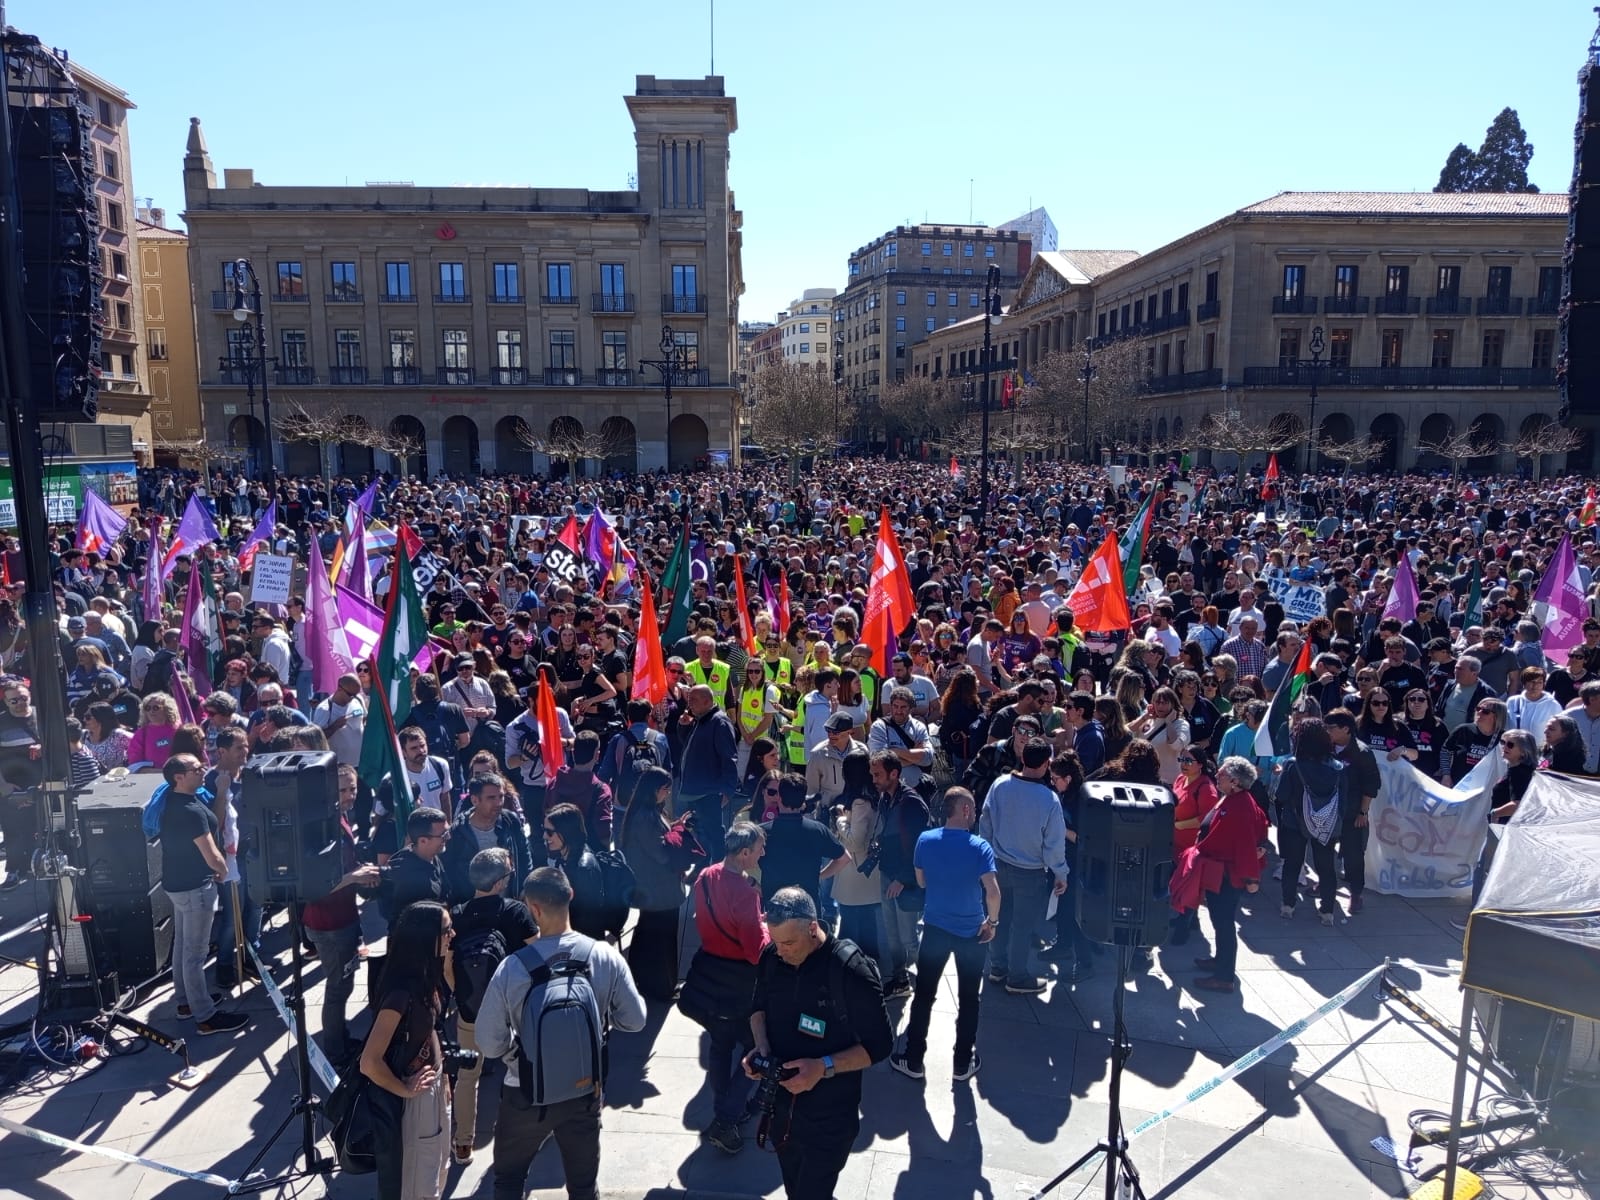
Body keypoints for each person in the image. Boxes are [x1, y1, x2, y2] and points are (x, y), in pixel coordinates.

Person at [475, 867, 647, 1200]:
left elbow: (489, 1043)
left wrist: (520, 1056)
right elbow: (636, 1020)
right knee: (583, 1187)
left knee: (509, 1181)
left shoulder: (513, 967)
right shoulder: (604, 956)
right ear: (571, 896)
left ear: (533, 909)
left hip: (524, 1092)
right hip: (583, 1091)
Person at [744, 887, 894, 1200]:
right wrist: (761, 1049)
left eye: (789, 942)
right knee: (795, 1189)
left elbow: (880, 1045)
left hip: (830, 1117)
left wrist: (823, 1067)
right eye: (775, 940)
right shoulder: (772, 957)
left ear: (813, 928)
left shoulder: (851, 971)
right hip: (781, 1110)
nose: (781, 950)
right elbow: (757, 1007)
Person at [889, 786, 999, 1083]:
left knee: (924, 995)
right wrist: (993, 922)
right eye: (973, 808)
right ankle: (962, 1063)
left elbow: (922, 882)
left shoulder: (926, 840)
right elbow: (992, 891)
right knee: (969, 999)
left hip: (936, 929)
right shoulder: (980, 847)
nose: (975, 813)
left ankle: (913, 1059)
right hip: (972, 933)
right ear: (964, 811)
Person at [359, 901, 454, 1200]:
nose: (453, 934)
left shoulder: (424, 976)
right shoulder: (400, 994)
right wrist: (405, 1090)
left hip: (434, 1086)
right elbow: (369, 1062)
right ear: (425, 938)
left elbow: (431, 1029)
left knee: (438, 1168)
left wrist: (444, 1076)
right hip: (415, 1101)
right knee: (420, 1184)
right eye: (446, 930)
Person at [448, 848, 537, 1166]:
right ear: (500, 883)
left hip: (472, 1009)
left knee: (467, 1077)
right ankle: (529, 1134)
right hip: (513, 1007)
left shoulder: (456, 914)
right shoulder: (515, 912)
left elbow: (447, 963)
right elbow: (536, 956)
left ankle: (462, 1144)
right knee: (524, 1068)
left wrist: (460, 994)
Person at [687, 821, 768, 1154]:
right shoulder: (745, 893)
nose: (764, 852)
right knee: (758, 1050)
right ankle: (727, 1117)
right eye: (760, 847)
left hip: (710, 972)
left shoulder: (706, 877)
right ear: (745, 852)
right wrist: (764, 925)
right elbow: (754, 950)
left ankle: (723, 1110)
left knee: (720, 1046)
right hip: (739, 980)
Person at [300, 763, 379, 1066]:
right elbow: (317, 886)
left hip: (343, 918)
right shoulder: (323, 825)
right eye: (342, 790)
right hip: (329, 924)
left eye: (353, 789)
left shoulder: (340, 817)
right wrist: (356, 877)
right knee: (337, 987)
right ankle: (334, 1050)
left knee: (343, 984)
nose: (349, 795)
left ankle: (340, 1037)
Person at [977, 737, 1069, 995]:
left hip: (997, 864)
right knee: (1022, 925)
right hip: (1030, 872)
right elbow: (1053, 845)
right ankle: (1017, 976)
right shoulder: (1049, 799)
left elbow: (986, 824)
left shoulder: (1000, 785)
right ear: (1047, 763)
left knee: (998, 918)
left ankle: (997, 967)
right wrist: (1061, 873)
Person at [1177, 757, 1269, 995]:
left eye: (1222, 775)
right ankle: (1220, 961)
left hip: (1229, 877)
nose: (1216, 776)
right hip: (1220, 872)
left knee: (1224, 923)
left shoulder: (1241, 807)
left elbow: (1247, 844)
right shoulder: (1234, 798)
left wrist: (1252, 879)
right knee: (1220, 922)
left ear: (1235, 782)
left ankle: (1224, 977)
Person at [619, 765, 692, 1001]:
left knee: (648, 934)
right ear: (654, 789)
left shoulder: (646, 811)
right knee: (662, 940)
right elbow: (660, 853)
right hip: (658, 886)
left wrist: (675, 826)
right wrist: (678, 835)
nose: (667, 794)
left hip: (651, 886)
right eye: (665, 789)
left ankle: (642, 980)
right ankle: (661, 986)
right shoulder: (646, 816)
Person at [1274, 720, 1354, 926]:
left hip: (1295, 822)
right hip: (1326, 824)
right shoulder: (1338, 767)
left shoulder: (1293, 765)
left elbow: (1281, 795)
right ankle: (1327, 910)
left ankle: (1288, 905)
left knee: (1292, 864)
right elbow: (1344, 800)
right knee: (1326, 867)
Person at [866, 750, 930, 1000]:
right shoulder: (886, 798)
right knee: (891, 933)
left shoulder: (911, 803)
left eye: (878, 774)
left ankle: (926, 974)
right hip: (887, 872)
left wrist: (902, 879)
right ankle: (899, 979)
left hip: (906, 880)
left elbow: (919, 846)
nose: (874, 779)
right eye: (872, 774)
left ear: (895, 773)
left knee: (908, 938)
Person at [441, 772, 532, 905]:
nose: (498, 803)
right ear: (474, 800)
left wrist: (525, 888)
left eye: (501, 796)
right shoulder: (458, 832)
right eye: (491, 798)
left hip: (510, 905)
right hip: (473, 909)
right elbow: (448, 871)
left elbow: (524, 855)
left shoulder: (510, 822)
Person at [758, 774, 849, 905]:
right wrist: (819, 875)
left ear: (779, 797)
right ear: (803, 801)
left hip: (774, 908)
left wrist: (752, 883)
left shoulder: (761, 832)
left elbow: (737, 860)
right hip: (808, 908)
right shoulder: (818, 830)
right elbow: (844, 858)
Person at [1324, 710, 1380, 915]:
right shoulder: (1325, 748)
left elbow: (1371, 785)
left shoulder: (1362, 752)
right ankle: (1325, 885)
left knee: (1354, 855)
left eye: (1331, 728)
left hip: (1352, 812)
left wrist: (1363, 813)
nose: (1326, 731)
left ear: (1346, 729)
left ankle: (1356, 894)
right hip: (1328, 811)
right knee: (1324, 852)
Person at [677, 683, 740, 861]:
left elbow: (729, 757)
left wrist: (727, 790)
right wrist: (683, 726)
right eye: (689, 700)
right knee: (698, 834)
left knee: (713, 835)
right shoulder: (700, 719)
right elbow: (689, 745)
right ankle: (701, 868)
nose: (690, 704)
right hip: (695, 791)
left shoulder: (719, 722)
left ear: (707, 701)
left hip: (710, 792)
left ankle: (717, 872)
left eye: (694, 700)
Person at [541, 803, 609, 938]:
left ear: (566, 832)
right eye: (544, 829)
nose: (544, 836)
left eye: (549, 832)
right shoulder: (568, 854)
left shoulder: (583, 868)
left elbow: (583, 918)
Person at [379, 807, 451, 924]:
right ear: (423, 841)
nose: (448, 837)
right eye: (443, 835)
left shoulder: (430, 855)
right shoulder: (412, 880)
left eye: (448, 832)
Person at [866, 689, 934, 794]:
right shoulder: (880, 726)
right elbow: (878, 761)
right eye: (895, 706)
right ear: (890, 706)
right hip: (888, 792)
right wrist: (914, 756)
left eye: (903, 707)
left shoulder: (919, 727)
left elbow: (928, 758)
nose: (898, 711)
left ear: (911, 709)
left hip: (916, 788)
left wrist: (894, 751)